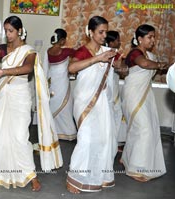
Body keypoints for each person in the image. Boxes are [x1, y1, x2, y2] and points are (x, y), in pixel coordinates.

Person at [0, 15, 63, 191]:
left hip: (20, 96)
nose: (7, 34)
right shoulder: (2, 49)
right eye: (6, 30)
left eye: (11, 31)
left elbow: (27, 68)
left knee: (19, 137)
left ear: (20, 32)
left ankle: (31, 175)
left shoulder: (28, 51)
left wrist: (3, 72)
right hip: (0, 96)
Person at [66, 16, 121, 193]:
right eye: (100, 32)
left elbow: (122, 65)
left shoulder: (107, 50)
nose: (104, 35)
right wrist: (98, 59)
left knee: (104, 139)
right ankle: (74, 179)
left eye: (106, 31)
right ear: (90, 32)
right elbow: (72, 68)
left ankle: (96, 176)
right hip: (85, 101)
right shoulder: (82, 51)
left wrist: (120, 66)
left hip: (102, 102)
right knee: (87, 139)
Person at [121, 24, 167, 182]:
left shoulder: (150, 55)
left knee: (141, 128)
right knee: (144, 129)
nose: (153, 40)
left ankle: (127, 158)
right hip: (133, 94)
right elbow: (144, 64)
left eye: (154, 37)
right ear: (139, 38)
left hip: (145, 94)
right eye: (150, 37)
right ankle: (137, 169)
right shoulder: (135, 53)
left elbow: (149, 64)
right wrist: (160, 65)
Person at [43, 28, 77, 140]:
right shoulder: (67, 51)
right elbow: (78, 55)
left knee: (53, 104)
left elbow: (45, 69)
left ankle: (52, 131)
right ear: (62, 40)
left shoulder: (48, 51)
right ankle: (67, 133)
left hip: (52, 82)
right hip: (62, 82)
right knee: (66, 106)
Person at [105, 31, 127, 152]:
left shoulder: (101, 52)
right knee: (116, 114)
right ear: (111, 42)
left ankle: (110, 142)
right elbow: (123, 71)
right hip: (111, 90)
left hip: (107, 89)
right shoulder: (114, 54)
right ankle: (114, 142)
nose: (119, 42)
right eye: (118, 40)